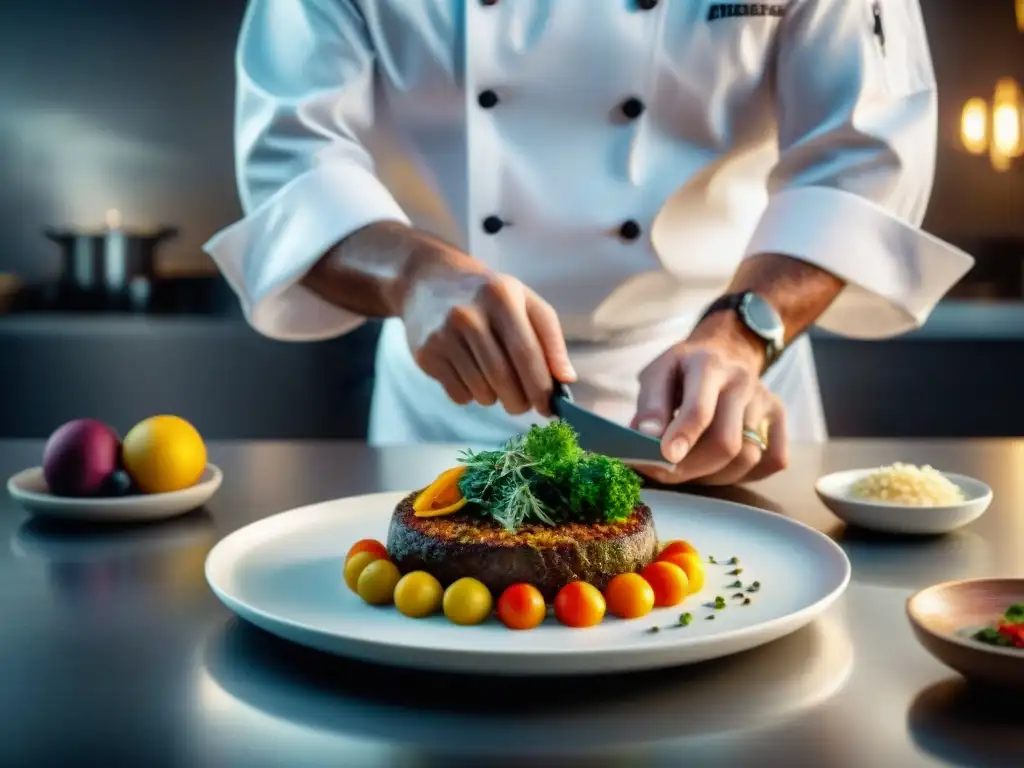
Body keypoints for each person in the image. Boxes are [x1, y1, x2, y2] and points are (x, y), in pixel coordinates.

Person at [204, 0, 972, 486]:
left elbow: (860, 159)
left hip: (722, 395)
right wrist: (414, 275)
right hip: (454, 406)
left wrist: (743, 333)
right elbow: (293, 164)